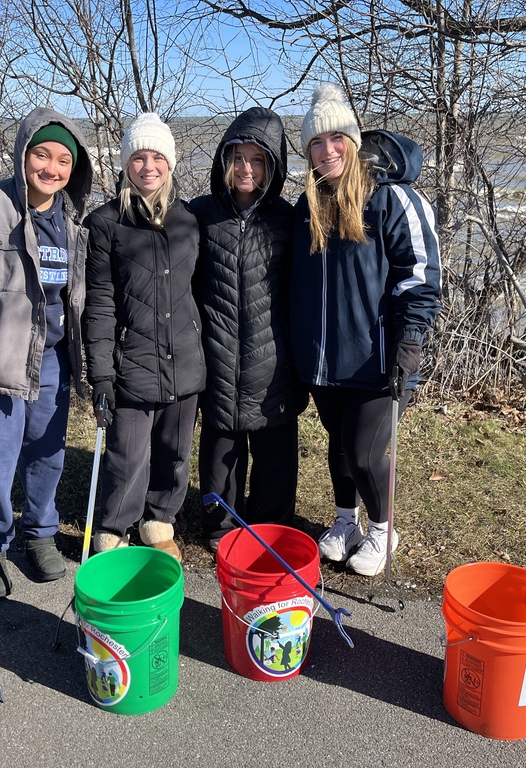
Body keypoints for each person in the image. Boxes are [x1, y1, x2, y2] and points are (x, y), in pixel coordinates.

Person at [0, 109, 93, 598]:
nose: (51, 168)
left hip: (53, 360)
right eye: (42, 154)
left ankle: (39, 533)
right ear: (24, 154)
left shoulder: (73, 221)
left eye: (63, 160)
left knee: (48, 455)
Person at [291, 84, 441, 576]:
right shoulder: (307, 207)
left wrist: (409, 342)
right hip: (322, 358)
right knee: (337, 443)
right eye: (316, 142)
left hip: (376, 357)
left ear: (353, 143)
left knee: (364, 449)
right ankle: (344, 520)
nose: (327, 150)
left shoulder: (391, 200)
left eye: (336, 139)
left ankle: (382, 529)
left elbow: (418, 276)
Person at [83, 112, 205, 562]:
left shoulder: (188, 221)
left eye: (157, 157)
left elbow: (203, 293)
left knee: (174, 454)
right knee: (126, 456)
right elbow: (98, 304)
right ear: (125, 164)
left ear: (170, 164)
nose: (148, 166)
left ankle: (159, 521)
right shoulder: (105, 224)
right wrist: (100, 375)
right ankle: (113, 529)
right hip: (130, 362)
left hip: (186, 361)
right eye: (138, 157)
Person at [189, 107, 307, 552]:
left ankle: (272, 531)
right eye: (238, 157)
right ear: (224, 160)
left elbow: (308, 285)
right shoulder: (200, 215)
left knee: (275, 456)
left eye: (258, 160)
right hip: (216, 357)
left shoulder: (288, 218)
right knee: (221, 451)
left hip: (274, 359)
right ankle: (221, 529)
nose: (246, 168)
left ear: (273, 165)